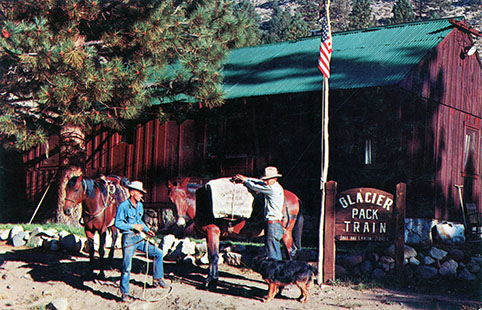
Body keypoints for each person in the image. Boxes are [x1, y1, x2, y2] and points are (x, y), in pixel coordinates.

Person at [114, 180, 166, 302]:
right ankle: (124, 294)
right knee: (126, 267)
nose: (142, 195)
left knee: (158, 253)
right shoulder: (123, 206)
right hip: (128, 240)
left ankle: (157, 279)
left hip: (138, 237)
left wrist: (147, 230)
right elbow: (118, 223)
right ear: (132, 193)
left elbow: (140, 221)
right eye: (140, 193)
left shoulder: (140, 206)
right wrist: (132, 226)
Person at [235, 166, 285, 261]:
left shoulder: (272, 189)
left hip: (272, 224)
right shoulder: (276, 187)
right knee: (274, 249)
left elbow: (255, 187)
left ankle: (274, 274)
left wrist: (245, 182)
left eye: (267, 180)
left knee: (272, 253)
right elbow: (260, 182)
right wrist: (246, 178)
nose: (265, 182)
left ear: (275, 179)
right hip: (275, 224)